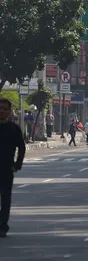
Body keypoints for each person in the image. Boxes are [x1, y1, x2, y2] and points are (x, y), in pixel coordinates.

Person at [0, 98, 26, 237]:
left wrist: (17, 165)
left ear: (9, 112)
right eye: (0, 108)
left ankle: (3, 225)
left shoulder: (14, 129)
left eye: (5, 108)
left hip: (6, 169)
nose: (2, 111)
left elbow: (21, 147)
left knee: (5, 199)